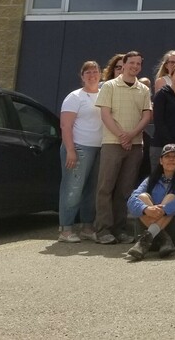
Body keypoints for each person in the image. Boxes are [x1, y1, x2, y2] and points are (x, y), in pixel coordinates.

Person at [93, 51, 153, 245]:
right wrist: (121, 135)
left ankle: (119, 229)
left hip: (135, 146)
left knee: (125, 190)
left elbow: (146, 116)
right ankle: (103, 230)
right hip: (112, 143)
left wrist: (131, 134)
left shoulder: (143, 89)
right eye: (131, 63)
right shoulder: (109, 86)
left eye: (138, 64)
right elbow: (105, 115)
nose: (134, 66)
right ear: (124, 64)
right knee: (105, 187)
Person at [58, 61, 103, 243]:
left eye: (95, 72)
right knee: (72, 189)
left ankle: (87, 227)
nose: (92, 75)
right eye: (88, 72)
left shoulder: (104, 95)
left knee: (92, 191)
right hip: (79, 147)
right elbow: (65, 126)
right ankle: (65, 229)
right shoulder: (74, 97)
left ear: (100, 74)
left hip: (99, 148)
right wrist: (70, 150)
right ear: (82, 76)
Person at [125, 143, 175, 260]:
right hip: (148, 238)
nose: (171, 159)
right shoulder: (150, 180)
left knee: (171, 198)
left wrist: (164, 210)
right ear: (161, 161)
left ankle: (147, 240)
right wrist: (146, 209)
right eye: (167, 156)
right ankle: (162, 239)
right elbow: (131, 201)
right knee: (142, 197)